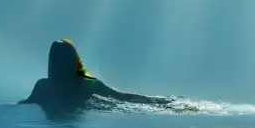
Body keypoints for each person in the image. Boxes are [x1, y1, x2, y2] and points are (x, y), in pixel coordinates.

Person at [19, 39, 177, 112]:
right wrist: (158, 102)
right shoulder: (87, 84)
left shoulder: (43, 85)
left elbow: (27, 103)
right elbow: (122, 97)